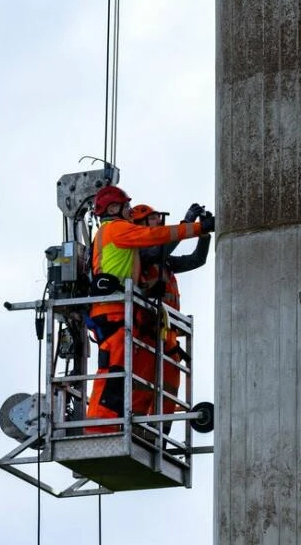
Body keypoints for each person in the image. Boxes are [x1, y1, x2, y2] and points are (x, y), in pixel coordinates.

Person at [84, 186, 214, 433]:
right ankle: (99, 428)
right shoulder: (117, 230)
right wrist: (196, 226)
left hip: (131, 315)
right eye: (126, 208)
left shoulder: (126, 241)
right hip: (115, 310)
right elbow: (158, 242)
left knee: (139, 376)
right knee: (115, 371)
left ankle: (144, 430)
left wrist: (203, 234)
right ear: (113, 209)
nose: (130, 213)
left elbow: (188, 257)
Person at [131, 203, 211, 438]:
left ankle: (159, 439)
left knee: (169, 389)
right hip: (146, 331)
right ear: (141, 223)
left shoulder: (164, 261)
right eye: (153, 218)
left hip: (168, 334)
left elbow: (197, 260)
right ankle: (134, 434)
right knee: (141, 386)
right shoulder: (142, 253)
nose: (158, 222)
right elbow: (160, 250)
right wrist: (189, 225)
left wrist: (203, 234)